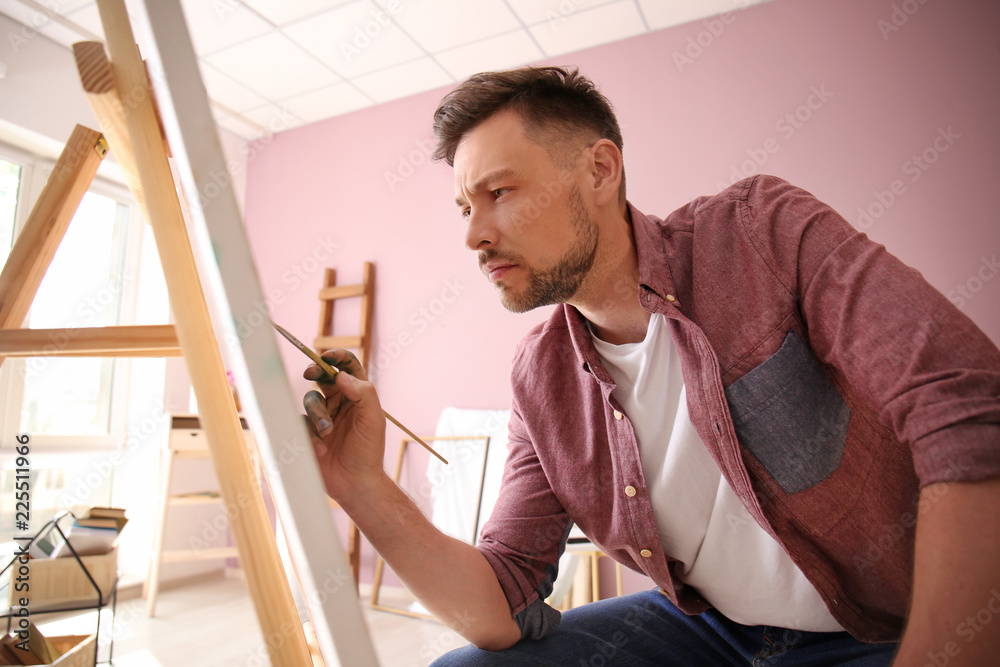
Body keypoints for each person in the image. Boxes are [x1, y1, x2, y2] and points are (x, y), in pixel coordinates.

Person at [301, 67, 1000, 666]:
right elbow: (500, 598)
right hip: (713, 634)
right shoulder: (540, 376)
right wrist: (358, 483)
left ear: (600, 170)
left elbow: (967, 409)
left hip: (880, 628)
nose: (474, 235)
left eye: (501, 193)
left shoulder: (759, 233)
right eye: (464, 207)